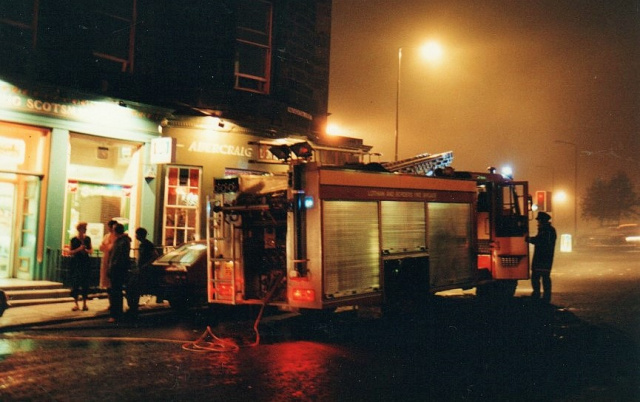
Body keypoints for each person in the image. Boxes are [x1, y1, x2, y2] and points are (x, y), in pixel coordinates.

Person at [126, 227, 159, 319]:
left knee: (133, 289)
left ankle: (133, 310)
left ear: (140, 235)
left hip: (144, 271)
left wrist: (146, 264)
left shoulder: (148, 244)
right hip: (140, 269)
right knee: (133, 289)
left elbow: (155, 255)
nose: (135, 235)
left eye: (136, 234)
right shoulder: (142, 244)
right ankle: (133, 309)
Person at [526, 212, 557, 302]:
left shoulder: (547, 231)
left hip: (543, 258)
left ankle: (540, 296)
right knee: (542, 277)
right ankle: (544, 296)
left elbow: (541, 241)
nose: (538, 223)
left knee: (540, 277)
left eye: (539, 221)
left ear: (543, 221)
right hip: (544, 258)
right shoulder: (547, 230)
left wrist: (529, 239)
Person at [108, 223, 131, 322]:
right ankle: (117, 313)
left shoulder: (121, 242)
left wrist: (112, 267)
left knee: (116, 292)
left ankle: (115, 314)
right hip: (117, 269)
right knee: (116, 292)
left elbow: (117, 257)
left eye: (113, 230)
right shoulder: (121, 241)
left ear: (116, 231)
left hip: (117, 270)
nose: (112, 232)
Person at [69, 222, 93, 311]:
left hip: (85, 263)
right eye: (84, 228)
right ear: (79, 229)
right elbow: (70, 251)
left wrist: (86, 250)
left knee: (85, 283)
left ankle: (84, 304)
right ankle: (76, 304)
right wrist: (78, 249)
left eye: (86, 229)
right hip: (76, 263)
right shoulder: (73, 240)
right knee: (75, 283)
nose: (85, 230)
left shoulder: (87, 239)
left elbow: (91, 250)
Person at [99, 220, 117, 310]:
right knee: (107, 284)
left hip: (112, 261)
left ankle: (113, 304)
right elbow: (101, 246)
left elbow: (112, 248)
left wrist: (107, 247)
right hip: (106, 260)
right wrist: (103, 247)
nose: (109, 229)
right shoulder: (106, 236)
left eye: (110, 227)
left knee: (112, 284)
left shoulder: (117, 237)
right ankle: (110, 303)